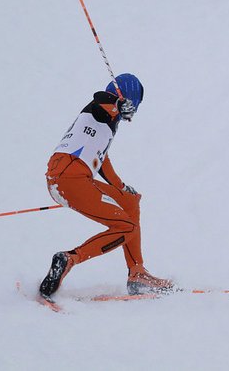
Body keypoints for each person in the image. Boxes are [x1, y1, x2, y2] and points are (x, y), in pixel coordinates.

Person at [39, 74, 173, 299]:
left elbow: (102, 161)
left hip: (73, 178)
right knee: (126, 227)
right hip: (68, 179)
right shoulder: (100, 110)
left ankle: (137, 273)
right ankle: (71, 258)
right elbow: (101, 101)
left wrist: (121, 187)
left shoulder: (105, 126)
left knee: (130, 202)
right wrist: (119, 104)